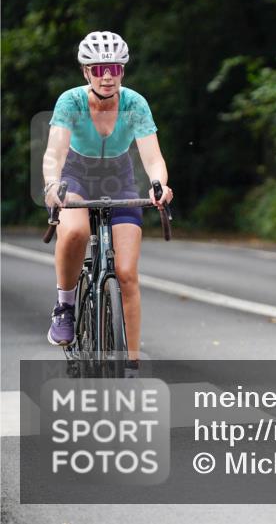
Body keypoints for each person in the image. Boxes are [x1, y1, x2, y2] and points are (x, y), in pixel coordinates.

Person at [42, 31, 173, 361]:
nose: (107, 76)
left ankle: (131, 360)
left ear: (123, 71)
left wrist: (159, 184)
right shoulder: (70, 101)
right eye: (99, 68)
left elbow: (153, 158)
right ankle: (65, 307)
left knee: (127, 273)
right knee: (74, 231)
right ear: (86, 72)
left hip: (119, 180)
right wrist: (51, 184)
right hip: (77, 176)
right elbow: (55, 153)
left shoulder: (135, 104)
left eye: (114, 68)